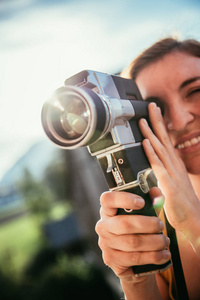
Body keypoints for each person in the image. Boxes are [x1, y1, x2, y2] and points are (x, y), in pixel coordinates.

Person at [95, 37, 200, 299]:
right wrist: (135, 280)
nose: (179, 120)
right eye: (156, 109)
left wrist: (193, 223)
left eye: (196, 91)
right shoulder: (158, 233)